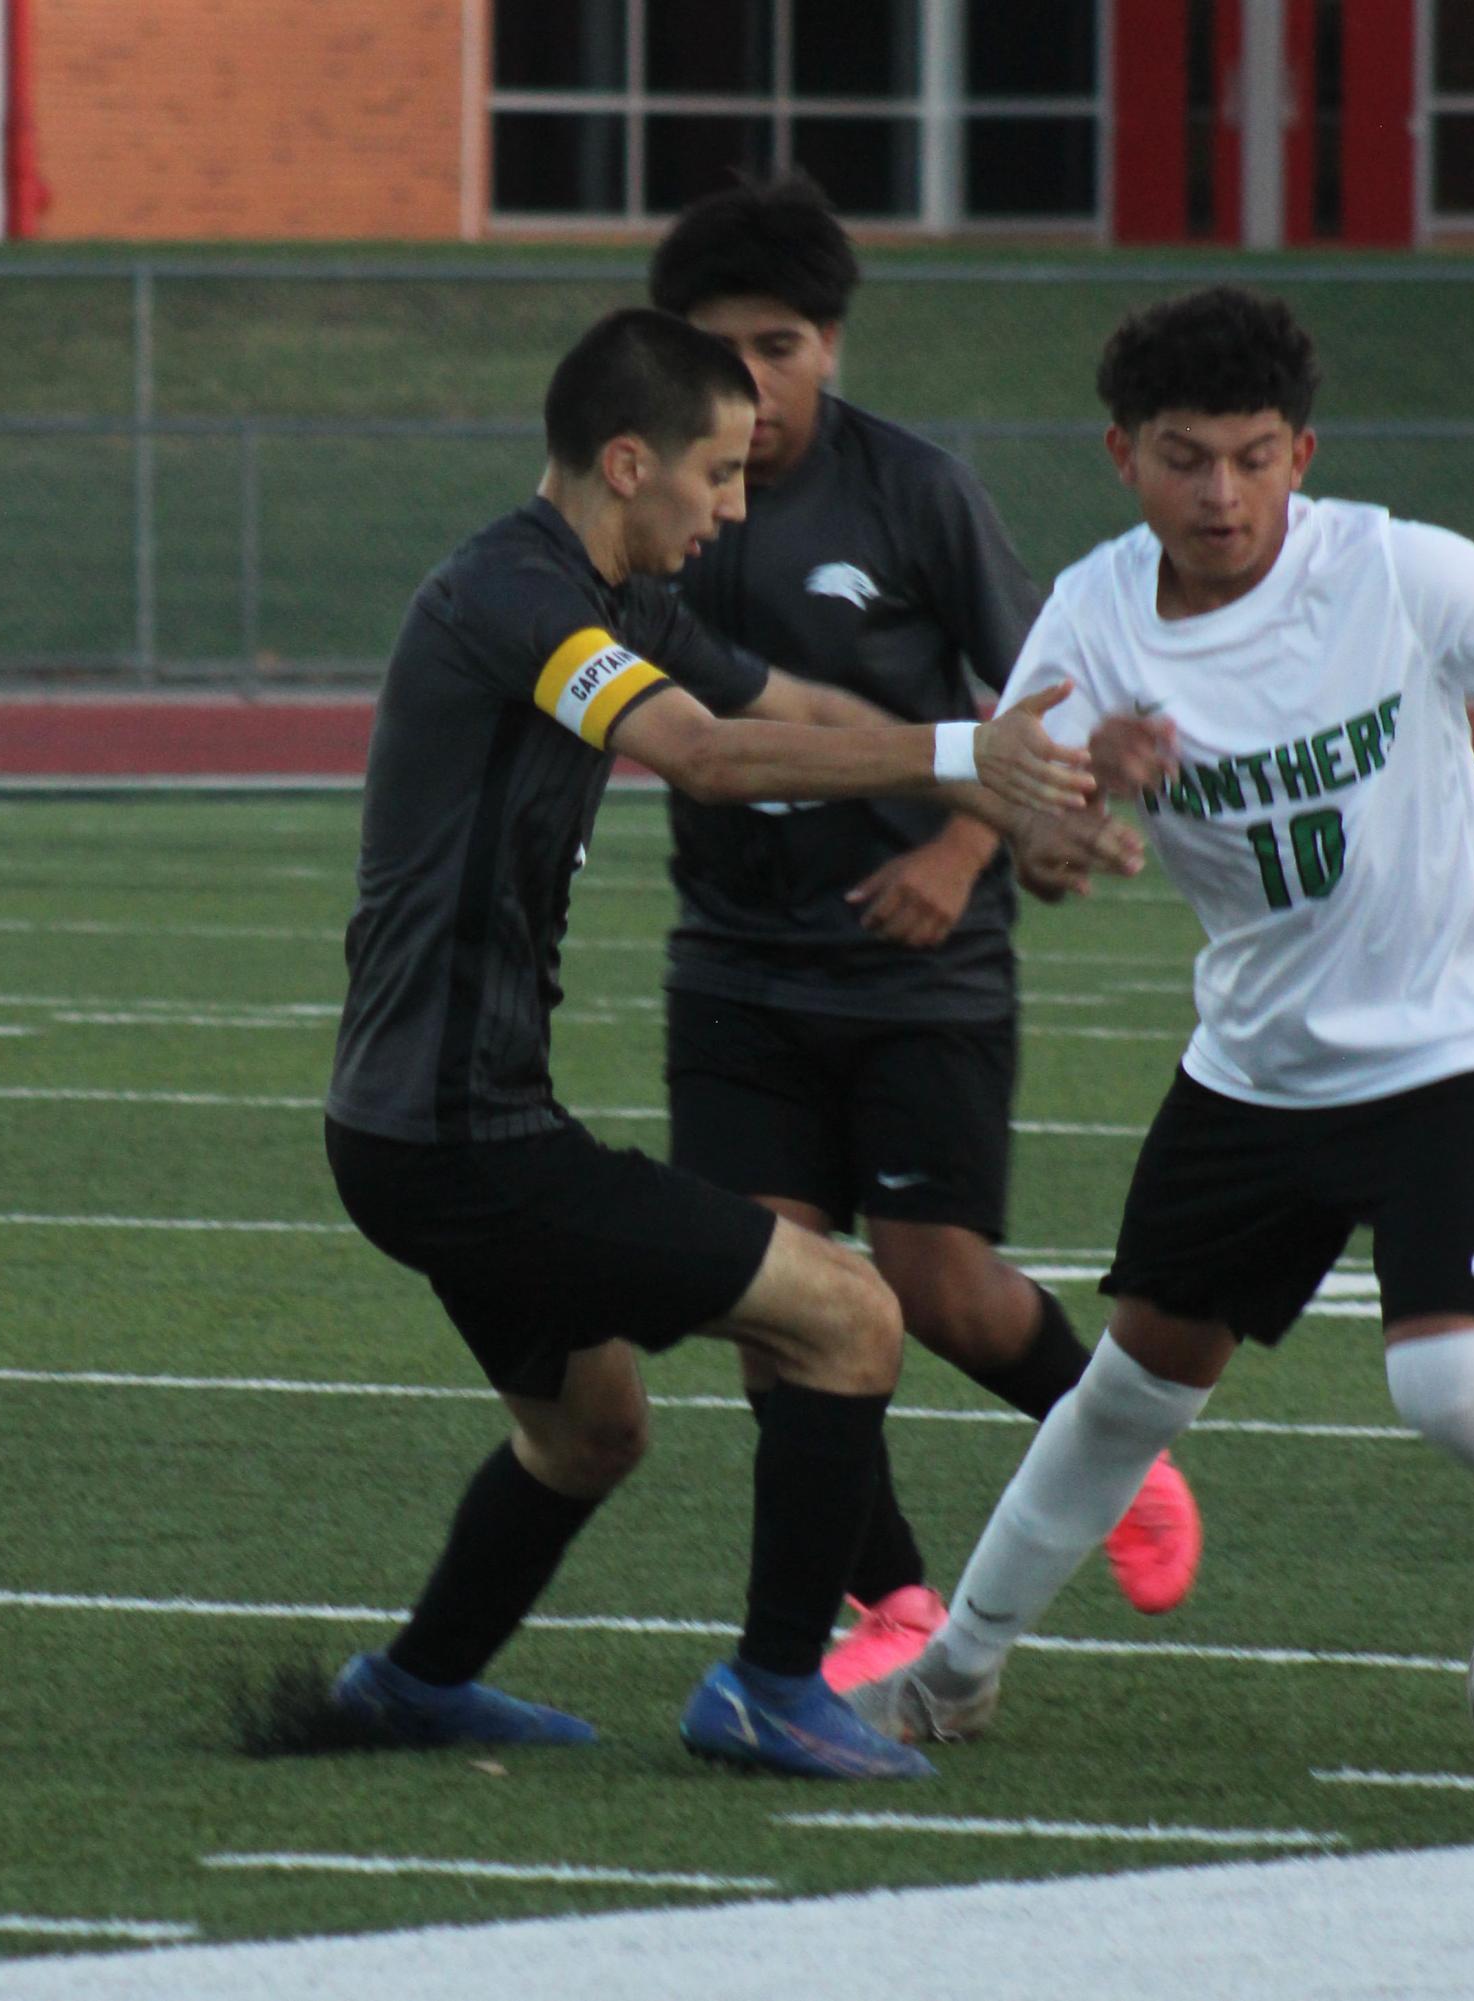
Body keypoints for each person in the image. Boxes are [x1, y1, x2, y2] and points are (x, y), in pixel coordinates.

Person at [850, 285, 1474, 1746]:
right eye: (1185, 455)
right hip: (1258, 1066)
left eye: (1251, 454)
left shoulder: (1396, 570)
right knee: (1127, 1391)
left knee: (1453, 1385)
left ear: (1303, 453)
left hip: (1458, 1045)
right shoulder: (1094, 616)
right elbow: (1036, 845)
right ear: (1123, 454)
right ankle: (955, 1670)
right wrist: (1082, 791)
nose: (1220, 492)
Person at [319, 305, 1116, 1782]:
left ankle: (409, 1686)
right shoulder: (515, 596)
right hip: (456, 1136)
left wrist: (1009, 792)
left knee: (593, 1430)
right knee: (850, 1316)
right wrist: (959, 757)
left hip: (430, 1126)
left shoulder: (612, 595)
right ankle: (767, 1685)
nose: (737, 508)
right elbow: (701, 754)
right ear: (629, 462)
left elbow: (786, 707)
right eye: (720, 475)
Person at [646, 176, 1203, 1692]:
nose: (752, 383)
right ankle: (886, 1597)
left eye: (780, 346)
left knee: (942, 1287)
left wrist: (968, 850)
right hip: (734, 957)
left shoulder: (913, 493)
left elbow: (1045, 696)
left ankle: (1117, 1452)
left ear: (831, 343)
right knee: (778, 1296)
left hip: (921, 961)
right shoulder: (661, 500)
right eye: (720, 351)